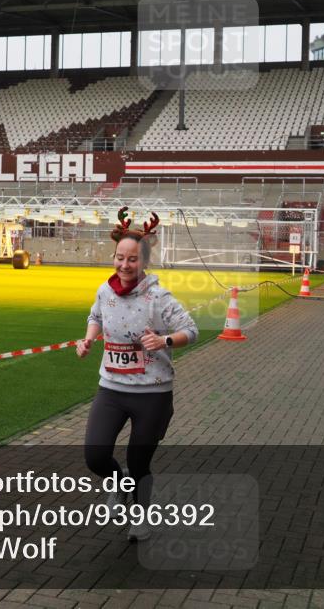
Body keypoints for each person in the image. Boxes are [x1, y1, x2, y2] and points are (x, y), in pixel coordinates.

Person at [77, 207, 198, 542]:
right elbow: (95, 316)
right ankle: (119, 485)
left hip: (153, 393)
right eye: (119, 258)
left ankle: (140, 517)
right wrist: (89, 338)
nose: (124, 265)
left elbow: (191, 329)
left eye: (132, 260)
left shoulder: (158, 296)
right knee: (96, 456)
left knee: (139, 460)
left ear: (144, 261)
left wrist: (165, 340)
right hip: (112, 388)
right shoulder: (104, 290)